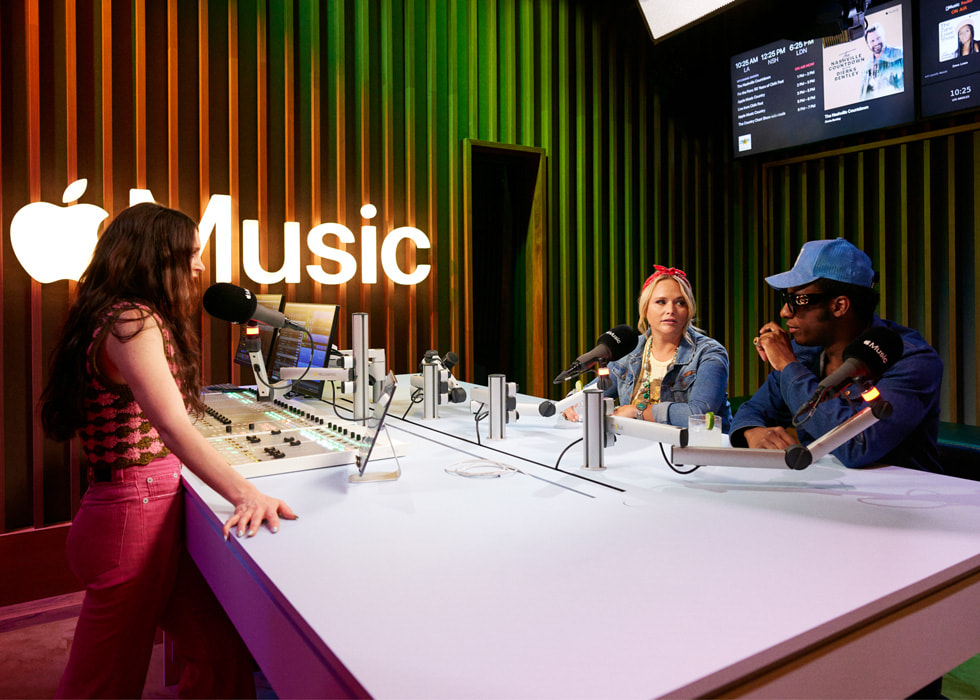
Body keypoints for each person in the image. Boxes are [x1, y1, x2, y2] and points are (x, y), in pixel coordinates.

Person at [40, 202, 298, 698]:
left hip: (145, 510)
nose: (200, 266)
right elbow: (174, 427)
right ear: (159, 255)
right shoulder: (131, 320)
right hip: (128, 521)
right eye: (193, 253)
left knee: (219, 651)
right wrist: (245, 492)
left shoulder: (119, 313)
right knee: (103, 683)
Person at [729, 238, 943, 472]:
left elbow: (858, 447)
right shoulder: (805, 352)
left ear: (839, 305)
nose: (784, 312)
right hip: (822, 486)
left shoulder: (911, 360)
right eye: (785, 299)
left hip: (900, 497)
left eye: (796, 301)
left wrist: (789, 366)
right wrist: (753, 432)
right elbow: (751, 412)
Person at [564, 265, 732, 431]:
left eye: (680, 303)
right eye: (661, 302)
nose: (670, 310)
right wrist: (573, 403)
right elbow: (596, 391)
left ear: (689, 310)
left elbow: (698, 414)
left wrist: (638, 411)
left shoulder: (709, 353)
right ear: (645, 309)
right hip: (637, 445)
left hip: (693, 450)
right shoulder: (630, 349)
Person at [859, 23, 904, 100]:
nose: (876, 43)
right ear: (867, 44)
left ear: (884, 37)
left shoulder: (900, 53)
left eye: (878, 38)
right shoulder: (866, 67)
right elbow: (863, 97)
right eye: (872, 41)